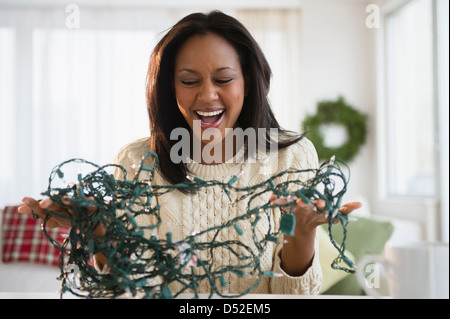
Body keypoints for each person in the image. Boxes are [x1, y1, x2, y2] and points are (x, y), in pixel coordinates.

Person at [18, 10, 361, 296]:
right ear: (169, 86)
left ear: (249, 83)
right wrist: (100, 235)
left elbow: (293, 297)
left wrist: (301, 235)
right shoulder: (136, 162)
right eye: (190, 80)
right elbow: (129, 291)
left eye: (224, 79)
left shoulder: (291, 157)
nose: (207, 95)